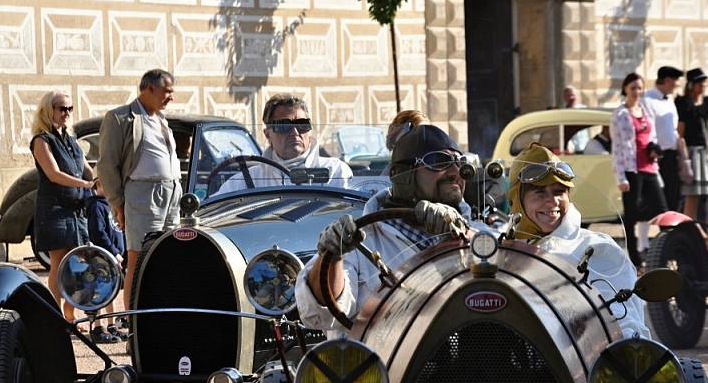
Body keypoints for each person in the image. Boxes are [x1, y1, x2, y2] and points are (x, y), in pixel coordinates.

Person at [295, 125, 471, 336]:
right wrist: (331, 257)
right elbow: (317, 314)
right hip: (383, 365)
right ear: (402, 175)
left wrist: (462, 234)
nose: (455, 172)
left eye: (461, 164)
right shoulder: (361, 240)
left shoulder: (479, 235)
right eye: (439, 162)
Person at [507, 143, 649, 338]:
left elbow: (622, 324)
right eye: (539, 192)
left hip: (575, 364)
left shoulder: (598, 249)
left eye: (559, 191)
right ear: (517, 199)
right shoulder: (499, 249)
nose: (553, 201)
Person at [98, 69, 182, 326]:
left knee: (168, 254)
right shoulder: (121, 117)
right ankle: (135, 324)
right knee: (137, 257)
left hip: (171, 193)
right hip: (143, 194)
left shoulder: (162, 120)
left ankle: (163, 316)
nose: (171, 97)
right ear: (149, 89)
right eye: (167, 91)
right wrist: (117, 203)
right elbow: (106, 164)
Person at [30, 90, 95, 324]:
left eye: (69, 108)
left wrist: (104, 180)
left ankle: (70, 313)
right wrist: (86, 184)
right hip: (54, 210)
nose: (66, 113)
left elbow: (86, 168)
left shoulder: (70, 138)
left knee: (78, 260)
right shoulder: (41, 140)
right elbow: (54, 174)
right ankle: (54, 316)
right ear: (49, 110)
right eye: (61, 108)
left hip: (76, 209)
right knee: (58, 264)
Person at [216, 94, 352, 193]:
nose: (294, 132)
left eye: (302, 125)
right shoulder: (247, 180)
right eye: (284, 126)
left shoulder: (335, 172)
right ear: (268, 134)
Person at [611, 72, 668, 268]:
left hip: (649, 167)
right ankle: (633, 256)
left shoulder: (645, 110)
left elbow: (653, 136)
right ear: (626, 89)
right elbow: (617, 148)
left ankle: (666, 249)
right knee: (631, 214)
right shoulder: (620, 114)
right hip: (631, 168)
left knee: (661, 209)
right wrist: (620, 176)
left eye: (639, 88)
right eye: (633, 87)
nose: (636, 91)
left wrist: (655, 148)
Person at [675, 68, 708, 253]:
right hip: (693, 155)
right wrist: (685, 159)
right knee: (692, 200)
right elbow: (681, 134)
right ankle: (692, 242)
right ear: (692, 84)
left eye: (704, 82)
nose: (703, 85)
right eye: (700, 82)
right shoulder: (684, 105)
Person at [85, 178, 127, 343]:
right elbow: (98, 233)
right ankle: (97, 327)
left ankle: (111, 325)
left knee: (112, 291)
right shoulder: (96, 206)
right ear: (98, 186)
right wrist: (114, 251)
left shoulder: (110, 205)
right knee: (99, 291)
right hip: (101, 256)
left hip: (114, 257)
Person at [643, 66, 685, 213]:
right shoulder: (647, 100)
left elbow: (673, 130)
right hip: (658, 157)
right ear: (667, 80)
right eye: (675, 81)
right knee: (658, 200)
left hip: (672, 156)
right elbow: (647, 130)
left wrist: (682, 156)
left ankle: (671, 233)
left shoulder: (669, 100)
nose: (677, 85)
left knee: (674, 197)